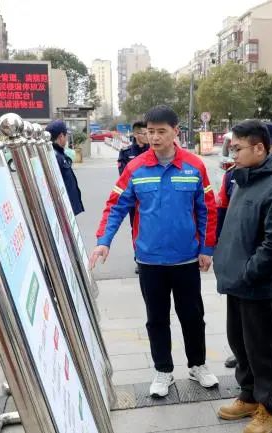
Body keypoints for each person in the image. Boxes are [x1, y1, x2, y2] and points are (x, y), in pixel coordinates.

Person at [90, 105, 219, 398]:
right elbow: (115, 206)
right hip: (150, 261)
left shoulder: (194, 167)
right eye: (151, 132)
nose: (155, 137)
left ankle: (197, 365)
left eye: (162, 131)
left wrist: (207, 248)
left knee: (192, 316)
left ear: (176, 132)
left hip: (186, 259)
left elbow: (207, 210)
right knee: (157, 318)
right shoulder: (135, 168)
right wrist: (103, 240)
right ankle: (163, 370)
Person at [214, 120, 272, 433]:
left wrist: (249, 273)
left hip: (257, 285)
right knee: (240, 344)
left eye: (238, 148)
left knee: (263, 350)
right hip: (237, 281)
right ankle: (248, 396)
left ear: (259, 148)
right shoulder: (243, 178)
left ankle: (269, 410)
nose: (233, 154)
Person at [118, 121, 150, 274]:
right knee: (137, 229)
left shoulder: (154, 150)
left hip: (151, 198)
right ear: (136, 134)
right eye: (145, 133)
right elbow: (124, 177)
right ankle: (139, 258)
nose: (148, 136)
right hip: (135, 200)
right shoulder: (126, 153)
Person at [45, 120, 84, 215]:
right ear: (61, 136)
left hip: (66, 209)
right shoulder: (55, 157)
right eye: (66, 135)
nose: (66, 139)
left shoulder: (58, 154)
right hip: (63, 209)